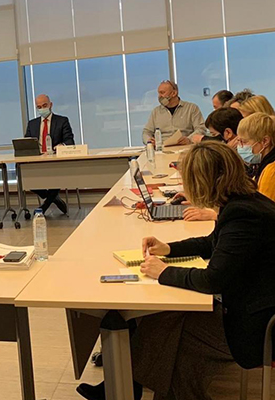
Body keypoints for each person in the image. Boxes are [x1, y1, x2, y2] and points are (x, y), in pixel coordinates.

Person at [78, 141, 275, 400]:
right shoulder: (243, 202)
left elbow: (212, 279)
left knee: (170, 328)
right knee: (164, 319)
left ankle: (127, 386)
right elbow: (212, 243)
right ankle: (127, 385)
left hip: (257, 325)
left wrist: (163, 272)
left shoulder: (243, 215)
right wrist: (169, 248)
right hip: (253, 305)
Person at [24, 94, 75, 214]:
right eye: (39, 107)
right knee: (24, 176)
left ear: (50, 105)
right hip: (37, 160)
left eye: (44, 105)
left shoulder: (62, 121)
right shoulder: (32, 124)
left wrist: (60, 146)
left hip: (56, 161)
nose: (42, 109)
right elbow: (27, 143)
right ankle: (53, 197)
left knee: (56, 176)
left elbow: (70, 141)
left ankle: (44, 207)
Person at [142, 80, 206, 145]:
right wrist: (149, 141)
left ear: (174, 93)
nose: (159, 96)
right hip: (162, 147)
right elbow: (146, 132)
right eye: (159, 93)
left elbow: (201, 129)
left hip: (185, 146)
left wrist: (189, 139)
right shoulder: (156, 112)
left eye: (162, 92)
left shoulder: (191, 108)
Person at [237, 112, 275, 201]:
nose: (240, 147)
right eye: (239, 141)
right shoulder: (261, 166)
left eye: (244, 142)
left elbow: (265, 206)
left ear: (265, 141)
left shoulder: (271, 170)